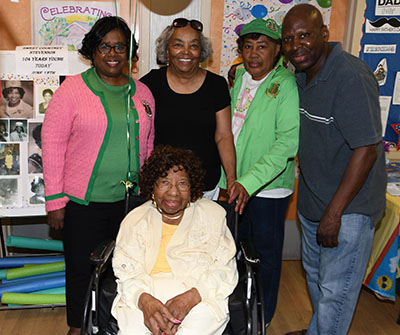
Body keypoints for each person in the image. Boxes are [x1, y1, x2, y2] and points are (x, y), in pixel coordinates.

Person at [42, 16, 155, 335]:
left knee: (126, 269)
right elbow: (51, 145)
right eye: (105, 46)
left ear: (130, 52)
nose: (113, 53)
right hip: (82, 203)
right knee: (82, 269)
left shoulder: (143, 92)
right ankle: (78, 327)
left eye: (121, 46)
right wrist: (55, 202)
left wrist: (149, 195)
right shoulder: (71, 91)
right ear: (93, 49)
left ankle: (116, 324)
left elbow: (148, 143)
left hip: (132, 203)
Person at [281, 4, 386, 335]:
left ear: (324, 34)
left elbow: (366, 149)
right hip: (314, 202)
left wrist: (334, 212)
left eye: (304, 36)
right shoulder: (299, 77)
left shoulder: (350, 76)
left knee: (335, 294)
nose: (296, 45)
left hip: (348, 208)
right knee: (316, 280)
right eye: (288, 39)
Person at [221, 18, 299, 331]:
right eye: (249, 46)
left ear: (277, 51)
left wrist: (249, 182)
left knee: (265, 255)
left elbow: (286, 144)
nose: (255, 54)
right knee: (234, 249)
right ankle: (238, 307)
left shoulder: (286, 85)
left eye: (263, 46)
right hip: (233, 184)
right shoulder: (238, 76)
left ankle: (262, 315)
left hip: (267, 189)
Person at [111, 145, 238, 335]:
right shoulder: (136, 219)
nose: (173, 192)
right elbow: (126, 270)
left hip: (198, 293)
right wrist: (144, 299)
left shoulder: (212, 215)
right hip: (146, 290)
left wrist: (193, 296)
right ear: (152, 186)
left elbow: (225, 269)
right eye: (164, 182)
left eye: (182, 183)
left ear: (192, 186)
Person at [140, 18, 237, 201]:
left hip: (205, 186)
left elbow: (224, 135)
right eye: (178, 45)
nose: (186, 52)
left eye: (193, 46)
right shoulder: (149, 84)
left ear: (201, 52)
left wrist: (231, 179)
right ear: (167, 50)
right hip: (161, 187)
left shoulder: (217, 85)